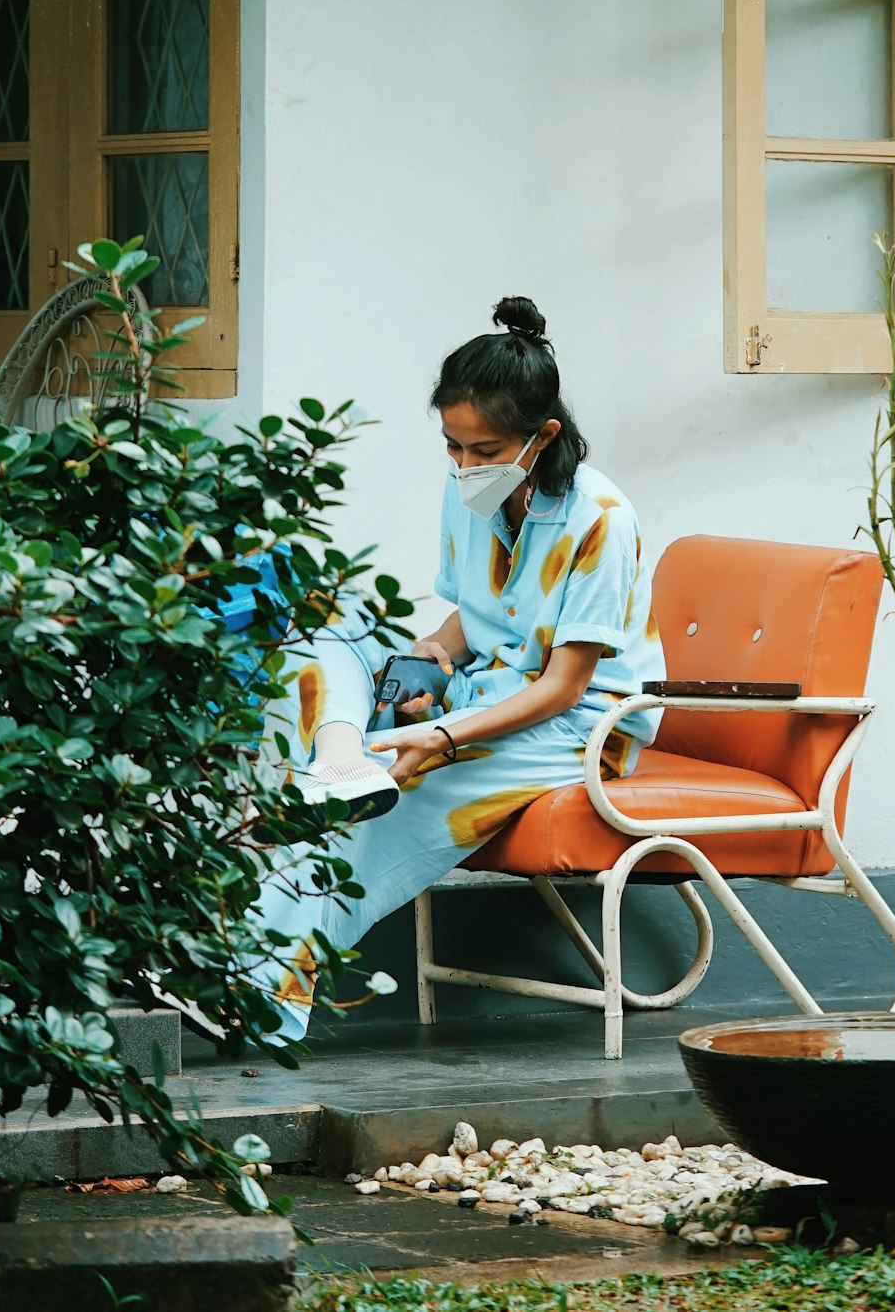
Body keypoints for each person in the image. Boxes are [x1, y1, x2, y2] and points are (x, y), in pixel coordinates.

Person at [246, 297, 665, 1042]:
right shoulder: (472, 492)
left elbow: (564, 685)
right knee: (319, 633)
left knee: (370, 817)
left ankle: (255, 994)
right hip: (485, 691)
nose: (466, 467)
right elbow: (476, 617)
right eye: (453, 448)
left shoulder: (601, 520)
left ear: (544, 435)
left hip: (577, 727)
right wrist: (426, 658)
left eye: (486, 450)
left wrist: (439, 737)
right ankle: (344, 760)